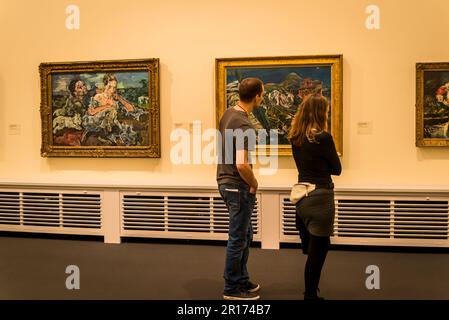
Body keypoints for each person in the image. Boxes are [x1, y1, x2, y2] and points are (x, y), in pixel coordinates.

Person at [288, 93, 341, 300]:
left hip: (302, 197)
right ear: (321, 113)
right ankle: (310, 295)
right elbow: (336, 169)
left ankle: (311, 292)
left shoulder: (295, 138)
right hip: (320, 198)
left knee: (313, 250)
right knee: (318, 253)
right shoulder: (323, 138)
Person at [217, 78, 265, 300]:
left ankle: (242, 278)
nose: (262, 98)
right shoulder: (245, 125)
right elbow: (241, 163)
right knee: (238, 237)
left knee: (246, 233)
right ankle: (232, 288)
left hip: (225, 182)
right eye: (262, 94)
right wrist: (254, 183)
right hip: (237, 185)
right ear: (257, 96)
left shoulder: (228, 113)